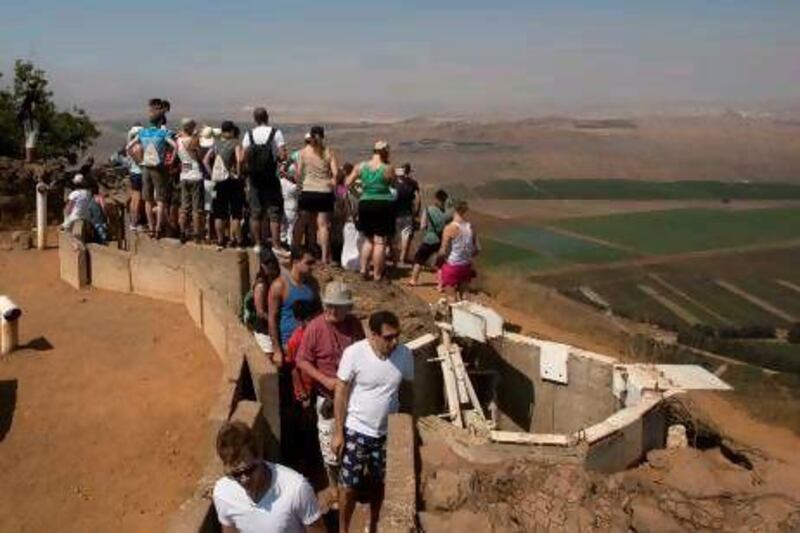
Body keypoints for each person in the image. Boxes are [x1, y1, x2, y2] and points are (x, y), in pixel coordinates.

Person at [332, 311, 413, 533]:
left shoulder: (405, 355)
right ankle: (344, 528)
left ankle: (373, 523)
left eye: (397, 335)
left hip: (387, 434)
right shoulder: (354, 353)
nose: (394, 342)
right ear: (373, 335)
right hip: (356, 430)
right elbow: (340, 392)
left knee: (380, 484)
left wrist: (405, 425)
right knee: (348, 487)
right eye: (388, 337)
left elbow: (407, 389)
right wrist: (339, 432)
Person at [296, 281, 364, 501]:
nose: (332, 310)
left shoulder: (354, 325)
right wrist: (324, 379)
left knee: (354, 443)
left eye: (337, 306)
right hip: (328, 397)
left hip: (353, 397)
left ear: (347, 308)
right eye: (329, 305)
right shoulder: (315, 328)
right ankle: (334, 487)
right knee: (330, 447)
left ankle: (351, 483)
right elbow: (302, 360)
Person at [212, 421, 324, 533]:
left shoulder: (297, 489)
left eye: (250, 470)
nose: (244, 479)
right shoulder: (222, 493)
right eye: (236, 474)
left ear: (260, 455)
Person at [345, 141, 396, 282]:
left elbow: (347, 183)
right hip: (383, 203)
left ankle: (363, 270)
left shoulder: (361, 166)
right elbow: (394, 185)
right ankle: (377, 275)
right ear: (385, 152)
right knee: (380, 241)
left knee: (368, 239)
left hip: (365, 202)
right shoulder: (387, 168)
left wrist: (359, 195)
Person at [129, 98, 176, 238]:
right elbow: (175, 146)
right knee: (161, 200)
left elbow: (128, 147)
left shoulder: (142, 132)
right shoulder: (164, 133)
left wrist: (139, 161)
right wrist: (171, 160)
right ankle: (158, 228)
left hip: (144, 168)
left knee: (147, 199)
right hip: (158, 168)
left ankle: (150, 227)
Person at [242, 107, 287, 253]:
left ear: (255, 119)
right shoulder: (276, 132)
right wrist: (278, 159)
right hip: (270, 177)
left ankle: (258, 244)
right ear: (267, 117)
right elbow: (282, 154)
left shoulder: (249, 134)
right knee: (274, 211)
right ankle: (276, 245)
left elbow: (244, 157)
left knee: (256, 212)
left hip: (254, 178)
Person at [268, 244, 320, 367]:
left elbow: (319, 312)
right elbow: (272, 318)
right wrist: (277, 350)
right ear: (296, 262)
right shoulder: (280, 285)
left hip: (310, 344)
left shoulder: (313, 284)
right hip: (289, 345)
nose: (312, 266)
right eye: (309, 263)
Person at [295, 126, 339, 264]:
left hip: (308, 190)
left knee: (302, 222)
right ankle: (325, 257)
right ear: (323, 136)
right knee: (323, 226)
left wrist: (300, 186)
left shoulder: (303, 152)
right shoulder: (329, 152)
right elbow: (336, 174)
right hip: (324, 192)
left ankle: (295, 249)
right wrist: (332, 183)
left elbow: (298, 173)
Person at [205, 121, 245, 247]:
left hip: (219, 181)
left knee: (219, 213)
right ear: (232, 130)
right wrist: (239, 174)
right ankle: (238, 241)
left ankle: (220, 240)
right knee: (236, 213)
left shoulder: (216, 144)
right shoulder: (236, 143)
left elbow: (205, 160)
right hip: (232, 181)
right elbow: (239, 160)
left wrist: (212, 174)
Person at [408, 189, 452, 287]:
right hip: (441, 240)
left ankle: (413, 280)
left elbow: (423, 226)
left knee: (419, 259)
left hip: (429, 239)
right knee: (440, 263)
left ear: (435, 198)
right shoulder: (446, 214)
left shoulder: (428, 209)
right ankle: (440, 284)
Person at [438, 200, 480, 300]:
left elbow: (443, 251)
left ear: (453, 210)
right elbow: (477, 249)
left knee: (451, 298)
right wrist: (467, 256)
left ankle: (453, 315)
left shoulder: (449, 228)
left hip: (452, 265)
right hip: (466, 266)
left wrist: (439, 261)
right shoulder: (471, 227)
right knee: (465, 296)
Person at [244, 248, 282, 356]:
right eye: (268, 264)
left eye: (272, 263)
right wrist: (274, 320)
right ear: (262, 265)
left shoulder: (274, 278)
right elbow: (260, 312)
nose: (271, 267)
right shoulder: (261, 285)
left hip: (272, 326)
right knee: (269, 357)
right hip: (264, 329)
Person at [176, 118, 204, 242]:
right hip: (195, 174)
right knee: (196, 208)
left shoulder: (178, 140)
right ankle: (197, 235)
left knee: (184, 207)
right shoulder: (194, 141)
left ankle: (182, 232)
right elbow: (200, 157)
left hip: (184, 174)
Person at [394, 163, 421, 265]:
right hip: (408, 214)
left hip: (395, 214)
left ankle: (393, 258)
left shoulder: (394, 183)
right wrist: (416, 213)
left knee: (394, 237)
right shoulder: (413, 183)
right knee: (405, 237)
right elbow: (418, 199)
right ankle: (402, 259)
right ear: (409, 172)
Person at [125, 126, 144, 230]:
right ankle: (135, 223)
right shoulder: (139, 147)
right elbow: (140, 162)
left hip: (132, 173)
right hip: (139, 173)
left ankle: (133, 221)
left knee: (133, 199)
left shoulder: (130, 147)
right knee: (137, 199)